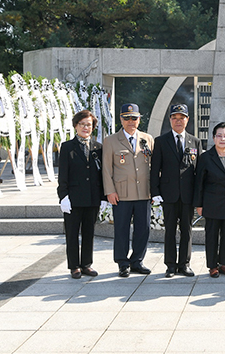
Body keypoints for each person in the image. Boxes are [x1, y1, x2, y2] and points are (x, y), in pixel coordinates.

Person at [102, 103, 155, 278]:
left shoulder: (147, 139)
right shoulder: (110, 141)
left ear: (139, 119)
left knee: (143, 228)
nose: (130, 121)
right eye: (127, 118)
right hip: (121, 193)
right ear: (120, 119)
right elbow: (107, 169)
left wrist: (155, 191)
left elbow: (154, 167)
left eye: (134, 118)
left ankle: (137, 260)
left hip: (144, 192)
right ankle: (123, 262)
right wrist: (110, 191)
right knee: (122, 228)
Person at [150, 104, 202, 278]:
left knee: (187, 230)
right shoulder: (161, 141)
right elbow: (154, 169)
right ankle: (171, 265)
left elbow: (199, 172)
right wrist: (155, 192)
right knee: (170, 230)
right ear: (170, 120)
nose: (178, 121)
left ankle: (184, 264)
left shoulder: (195, 142)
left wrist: (199, 196)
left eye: (182, 118)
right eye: (175, 118)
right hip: (169, 193)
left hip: (188, 195)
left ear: (187, 120)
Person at [58, 110, 107, 279]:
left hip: (92, 198)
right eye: (82, 124)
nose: (86, 128)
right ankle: (74, 266)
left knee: (89, 232)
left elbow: (102, 174)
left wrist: (103, 197)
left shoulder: (98, 148)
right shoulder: (67, 147)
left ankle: (86, 264)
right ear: (75, 126)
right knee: (72, 233)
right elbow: (63, 174)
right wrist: (63, 196)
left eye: (89, 125)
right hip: (73, 198)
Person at [194, 122, 225, 278]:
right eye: (219, 135)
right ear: (214, 138)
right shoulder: (206, 157)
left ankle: (224, 264)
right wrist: (199, 204)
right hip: (212, 202)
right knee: (212, 234)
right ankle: (212, 266)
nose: (222, 139)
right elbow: (199, 182)